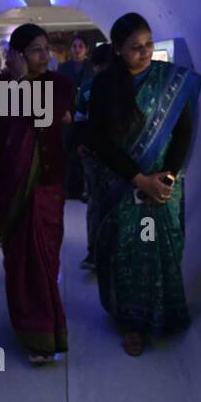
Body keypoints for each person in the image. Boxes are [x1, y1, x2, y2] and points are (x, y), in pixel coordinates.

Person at [86, 13, 201, 357]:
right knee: (129, 255)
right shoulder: (106, 86)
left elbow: (184, 131)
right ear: (119, 49)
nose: (145, 51)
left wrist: (166, 177)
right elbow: (99, 141)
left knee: (160, 251)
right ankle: (132, 323)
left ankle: (165, 313)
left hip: (164, 184)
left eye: (149, 44)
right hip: (123, 185)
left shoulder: (171, 80)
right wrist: (139, 180)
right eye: (135, 47)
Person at [0, 23, 76, 364]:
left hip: (48, 184)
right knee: (19, 259)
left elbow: (43, 121)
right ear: (17, 55)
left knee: (47, 255)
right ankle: (31, 330)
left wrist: (18, 85)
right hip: (10, 187)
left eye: (45, 47)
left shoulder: (59, 85)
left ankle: (48, 324)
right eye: (35, 49)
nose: (44, 54)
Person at [76, 42, 116, 270]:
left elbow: (79, 120)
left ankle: (95, 252)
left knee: (96, 202)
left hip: (93, 153)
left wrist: (81, 144)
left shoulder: (89, 86)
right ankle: (102, 252)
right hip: (107, 154)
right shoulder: (124, 85)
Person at [58, 34, 92, 201]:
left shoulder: (92, 67)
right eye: (74, 46)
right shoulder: (63, 68)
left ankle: (85, 189)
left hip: (87, 116)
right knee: (68, 151)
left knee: (85, 151)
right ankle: (69, 188)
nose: (77, 49)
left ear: (86, 49)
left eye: (80, 46)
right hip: (68, 114)